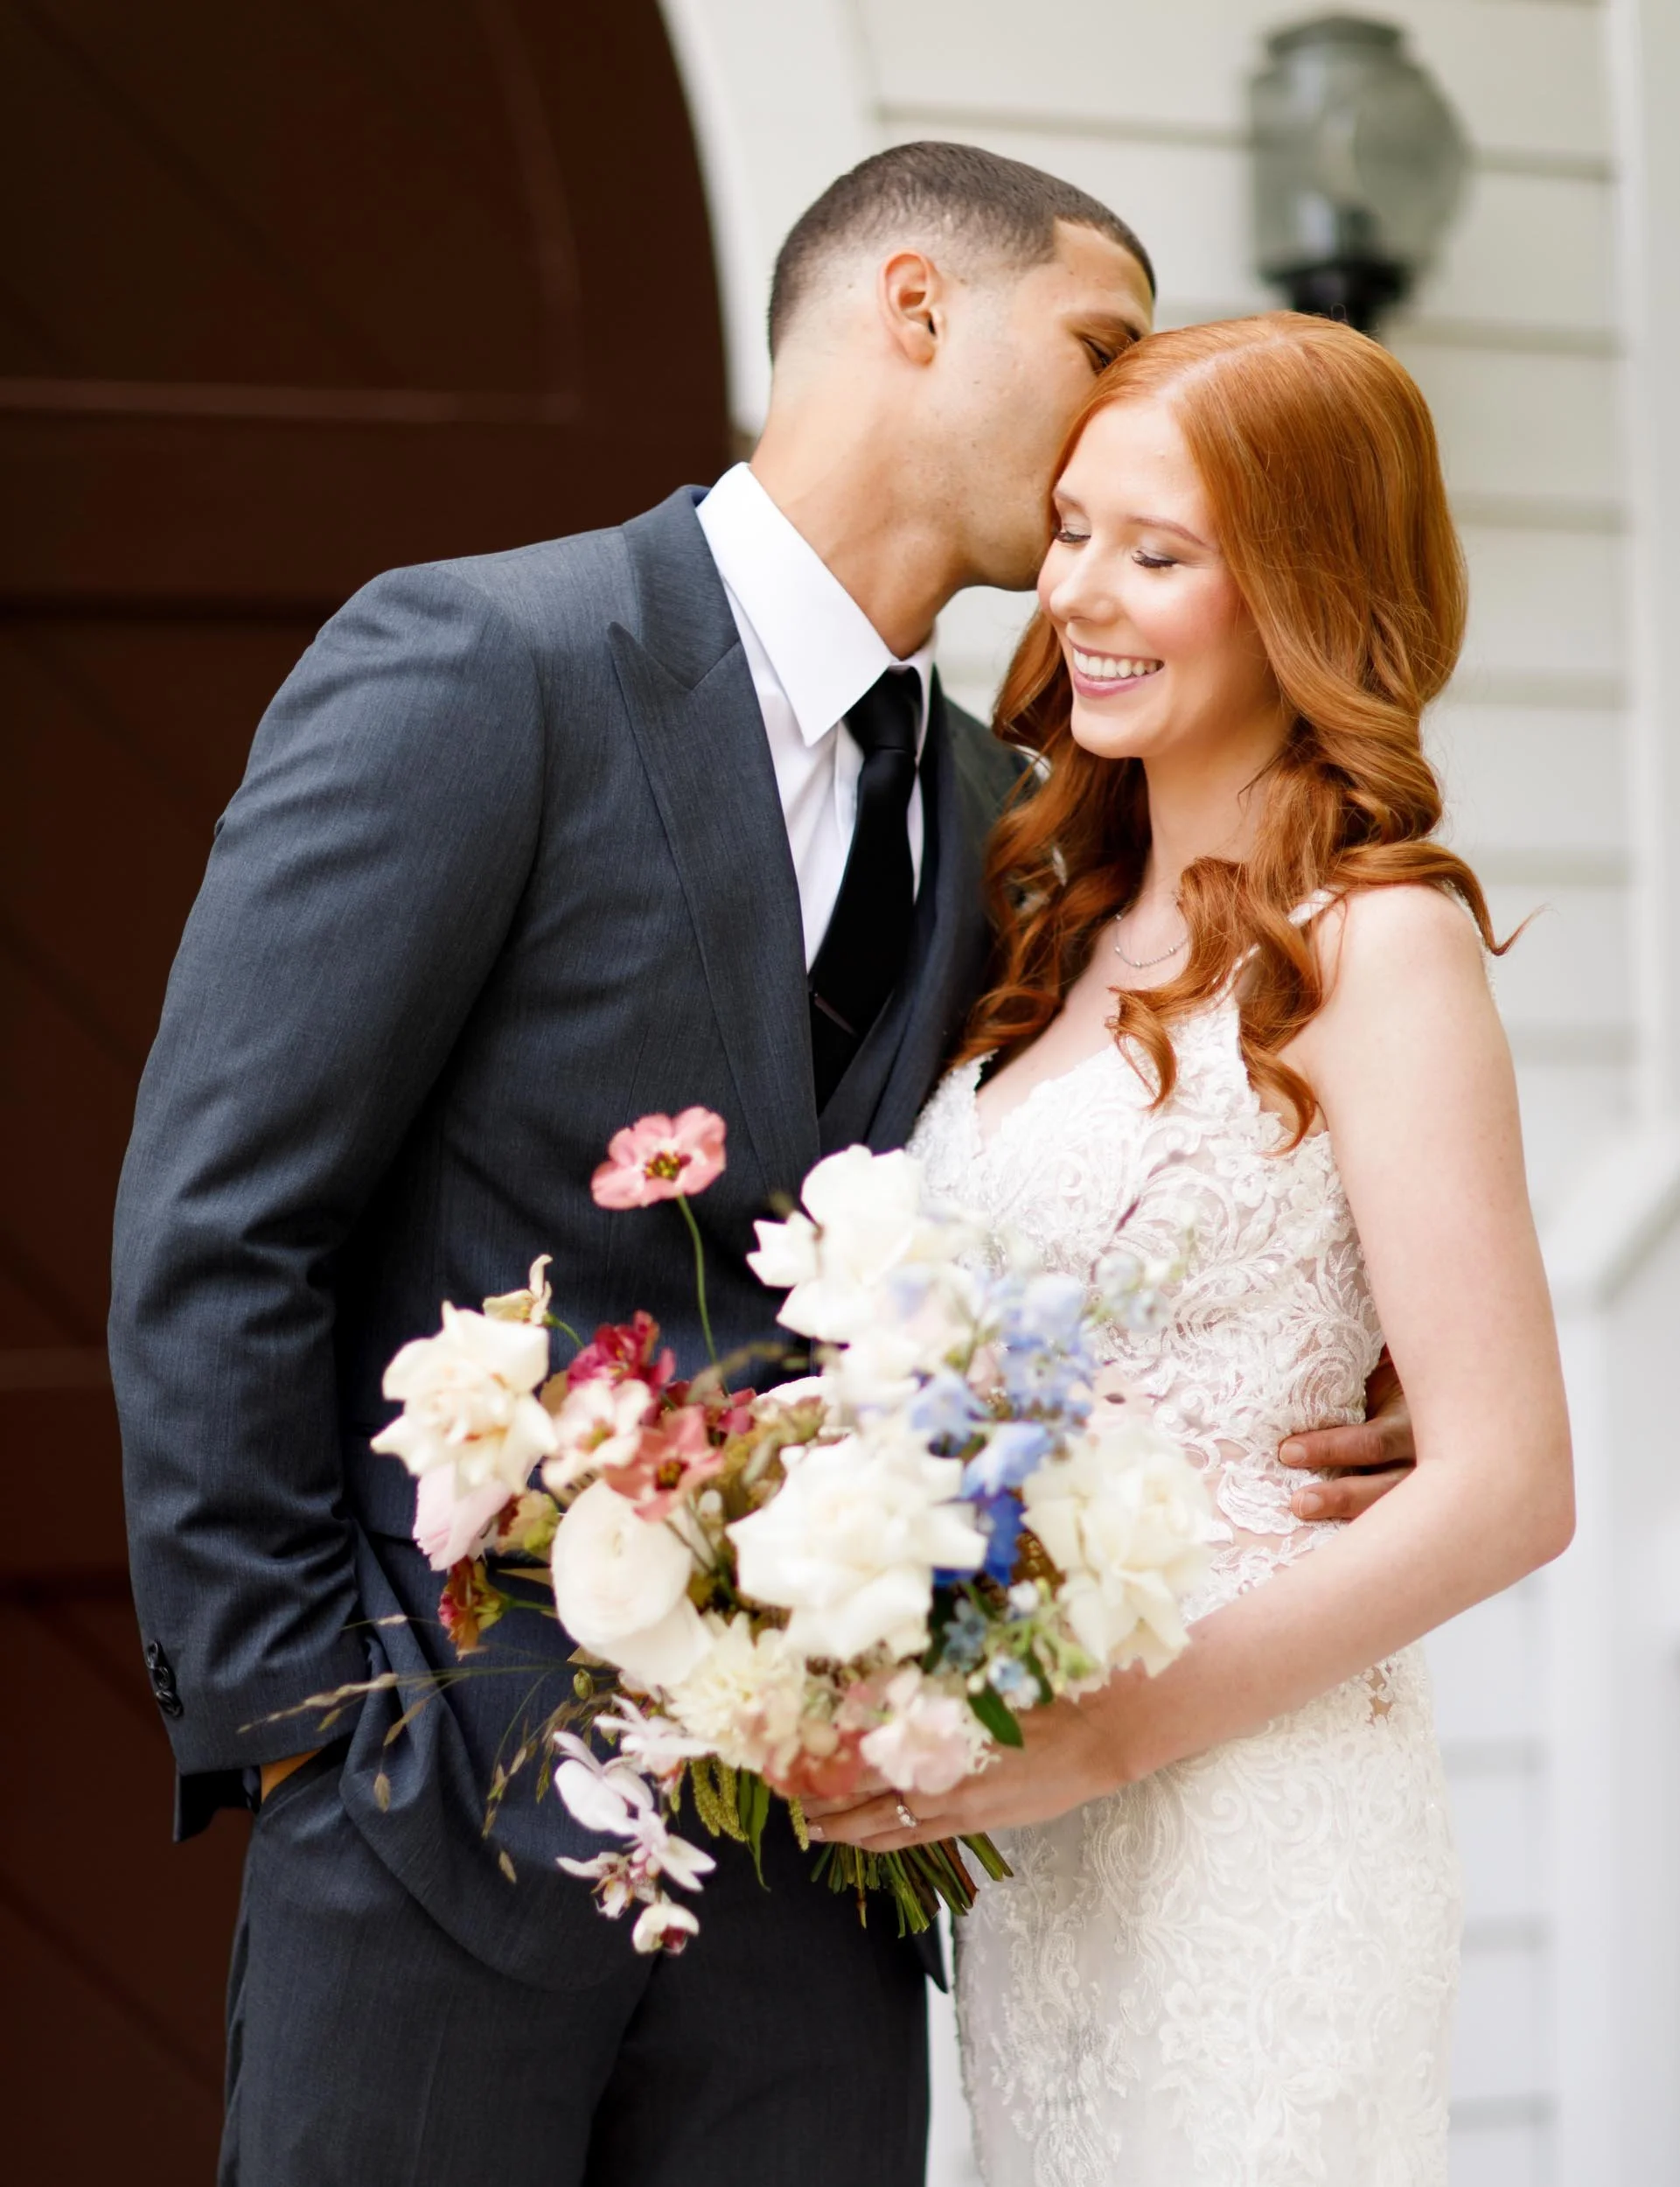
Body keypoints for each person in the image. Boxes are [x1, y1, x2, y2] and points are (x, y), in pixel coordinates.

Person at [110, 148, 1412, 2186]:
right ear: (913, 307)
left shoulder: (1014, 814)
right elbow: (221, 1225)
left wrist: (1362, 1351)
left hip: (829, 1884)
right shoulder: (485, 667)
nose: (1118, 409)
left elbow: (1101, 1186)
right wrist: (326, 1726)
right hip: (438, 1828)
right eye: (1093, 346)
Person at [806, 314, 1575, 2184]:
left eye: (1159, 552)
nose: (1082, 593)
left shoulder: (1376, 938)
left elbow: (1511, 1483)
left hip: (1255, 1819)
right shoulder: (1048, 924)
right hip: (1045, 1860)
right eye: (1073, 531)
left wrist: (1109, 1732)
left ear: (1301, 589)